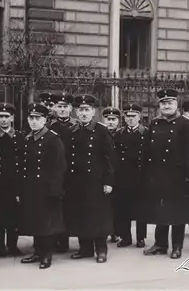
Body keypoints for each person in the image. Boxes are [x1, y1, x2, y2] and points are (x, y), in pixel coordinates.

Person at [142, 89, 189, 259]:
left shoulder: (185, 124)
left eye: (170, 103)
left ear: (176, 105)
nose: (166, 106)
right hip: (158, 175)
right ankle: (160, 244)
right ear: (159, 106)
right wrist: (147, 174)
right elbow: (147, 151)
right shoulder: (155, 123)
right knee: (160, 211)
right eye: (163, 103)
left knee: (177, 213)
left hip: (178, 176)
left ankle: (177, 246)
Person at [64, 94, 116, 263]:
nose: (83, 113)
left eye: (87, 110)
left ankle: (101, 250)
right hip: (77, 181)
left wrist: (108, 181)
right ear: (76, 113)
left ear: (93, 112)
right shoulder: (72, 131)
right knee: (81, 215)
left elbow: (110, 158)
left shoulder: (101, 131)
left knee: (97, 216)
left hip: (96, 181)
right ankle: (85, 248)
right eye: (80, 110)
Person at [19, 103, 67, 269]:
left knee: (47, 223)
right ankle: (37, 251)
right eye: (31, 118)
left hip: (47, 188)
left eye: (37, 118)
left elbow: (59, 166)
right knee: (35, 221)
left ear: (45, 120)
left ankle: (46, 255)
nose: (33, 122)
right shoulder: (27, 138)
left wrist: (55, 189)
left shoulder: (53, 139)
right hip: (31, 187)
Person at [0, 103, 24, 257]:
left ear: (12, 118)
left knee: (13, 217)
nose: (3, 120)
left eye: (6, 117)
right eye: (1, 117)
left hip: (13, 184)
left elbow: (23, 162)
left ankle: (12, 245)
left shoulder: (20, 137)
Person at [113, 103, 148, 248]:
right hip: (123, 176)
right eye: (128, 116)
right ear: (124, 118)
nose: (131, 119)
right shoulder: (119, 134)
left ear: (139, 117)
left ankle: (141, 237)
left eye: (134, 116)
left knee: (141, 209)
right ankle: (125, 236)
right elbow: (114, 155)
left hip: (141, 175)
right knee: (123, 208)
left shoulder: (146, 133)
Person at [48, 92, 77, 253]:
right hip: (55, 172)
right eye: (59, 106)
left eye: (65, 106)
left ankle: (67, 239)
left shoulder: (76, 125)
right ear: (54, 108)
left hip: (73, 172)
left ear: (71, 108)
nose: (62, 109)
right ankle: (57, 240)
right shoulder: (50, 127)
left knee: (71, 207)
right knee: (55, 206)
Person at [102, 106, 122, 243]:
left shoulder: (121, 134)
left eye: (113, 119)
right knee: (105, 205)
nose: (111, 122)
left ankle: (117, 232)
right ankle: (106, 231)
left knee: (117, 205)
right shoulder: (101, 133)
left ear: (118, 121)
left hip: (119, 173)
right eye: (108, 119)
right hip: (105, 173)